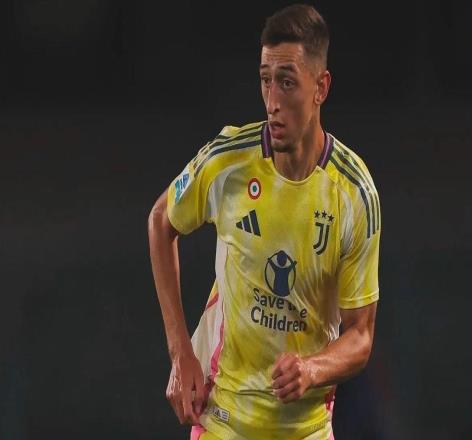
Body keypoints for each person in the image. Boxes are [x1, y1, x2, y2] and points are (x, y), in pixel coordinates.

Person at [148, 4, 381, 439]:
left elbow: (360, 336)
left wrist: (312, 369)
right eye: (265, 80)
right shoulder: (228, 161)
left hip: (306, 430)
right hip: (223, 422)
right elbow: (162, 220)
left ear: (321, 87)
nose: (273, 101)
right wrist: (181, 353)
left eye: (287, 82)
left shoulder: (354, 194)